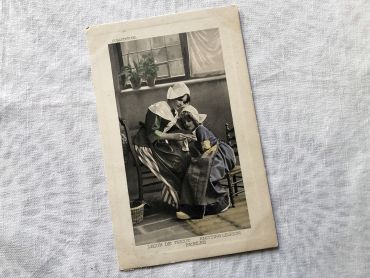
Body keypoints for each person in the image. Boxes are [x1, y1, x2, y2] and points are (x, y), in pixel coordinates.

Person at [133, 82, 195, 209]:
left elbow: (173, 129)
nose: (181, 104)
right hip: (145, 145)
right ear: (172, 97)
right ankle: (178, 200)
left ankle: (180, 199)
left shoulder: (174, 112)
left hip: (158, 143)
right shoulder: (158, 108)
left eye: (183, 101)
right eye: (179, 99)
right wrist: (173, 137)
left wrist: (188, 135)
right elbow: (152, 133)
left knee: (184, 157)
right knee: (174, 162)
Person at [176, 105, 236, 219]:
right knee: (192, 171)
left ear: (195, 120)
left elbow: (207, 149)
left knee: (202, 174)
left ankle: (219, 203)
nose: (187, 124)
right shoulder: (195, 132)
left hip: (220, 155)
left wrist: (199, 161)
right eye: (184, 122)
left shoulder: (200, 129)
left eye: (189, 120)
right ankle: (200, 205)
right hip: (210, 155)